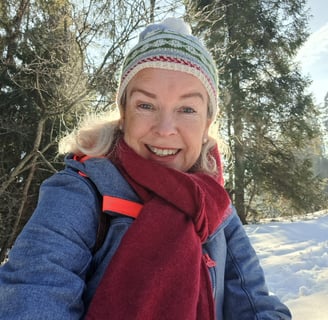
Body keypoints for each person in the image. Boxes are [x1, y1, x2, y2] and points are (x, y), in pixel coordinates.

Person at [0, 17, 292, 319]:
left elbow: (255, 303)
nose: (165, 129)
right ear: (124, 113)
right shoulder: (80, 192)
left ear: (207, 123)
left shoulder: (216, 207)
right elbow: (33, 290)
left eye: (187, 109)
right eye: (146, 105)